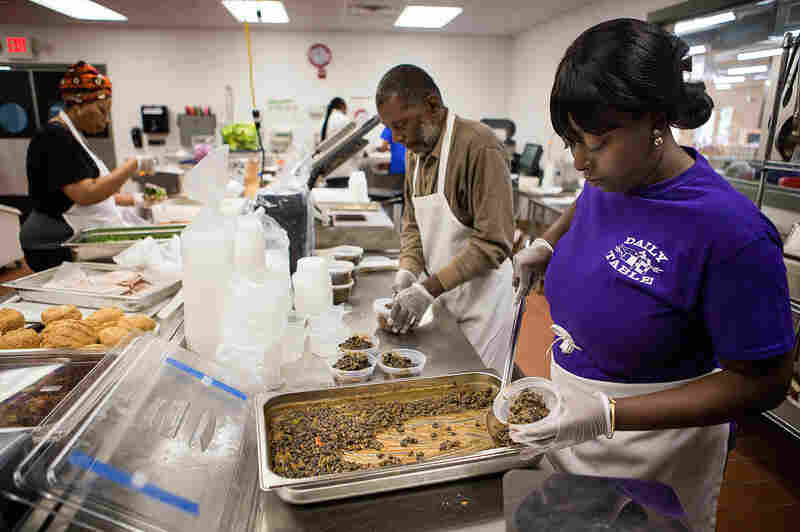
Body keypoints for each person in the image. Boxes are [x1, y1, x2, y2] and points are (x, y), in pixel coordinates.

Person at [510, 19, 794, 532]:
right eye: (570, 140)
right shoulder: (613, 177)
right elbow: (586, 201)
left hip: (654, 454)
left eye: (594, 142)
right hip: (573, 428)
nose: (579, 161)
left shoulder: (731, 233)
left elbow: (765, 383)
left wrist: (609, 414)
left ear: (655, 123)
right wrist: (547, 243)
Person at [376, 64, 515, 372]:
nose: (397, 138)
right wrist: (408, 271)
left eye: (401, 125)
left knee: (476, 391)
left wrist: (427, 289)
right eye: (390, 129)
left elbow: (494, 243)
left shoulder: (479, 146)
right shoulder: (415, 152)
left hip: (483, 304)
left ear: (432, 106)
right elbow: (413, 223)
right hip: (444, 296)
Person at [20, 61, 152, 271]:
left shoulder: (73, 137)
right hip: (57, 243)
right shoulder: (54, 136)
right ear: (78, 103)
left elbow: (97, 198)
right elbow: (86, 194)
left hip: (77, 237)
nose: (106, 120)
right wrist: (131, 166)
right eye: (102, 110)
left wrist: (137, 199)